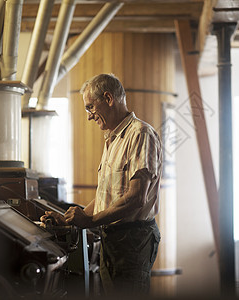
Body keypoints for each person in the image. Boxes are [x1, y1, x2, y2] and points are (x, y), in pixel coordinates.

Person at [41, 73, 162, 295]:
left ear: (108, 98)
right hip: (114, 237)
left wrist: (91, 221)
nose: (89, 116)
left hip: (132, 239)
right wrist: (71, 220)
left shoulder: (140, 134)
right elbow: (107, 196)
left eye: (90, 108)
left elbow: (137, 197)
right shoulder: (112, 140)